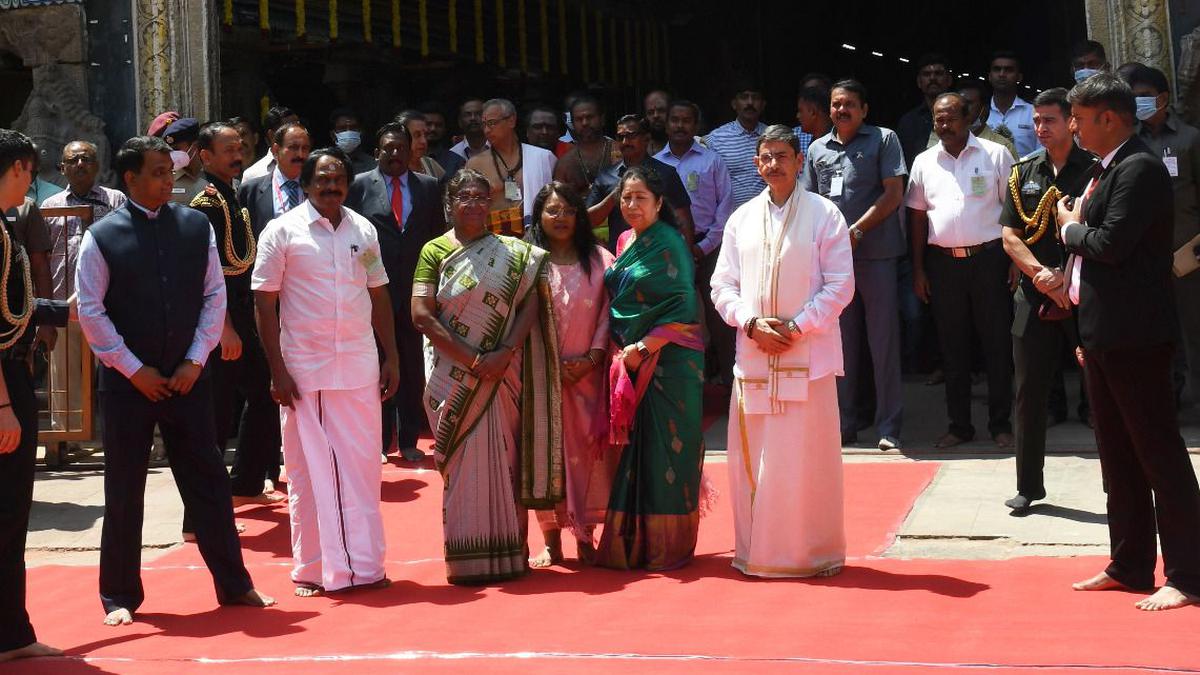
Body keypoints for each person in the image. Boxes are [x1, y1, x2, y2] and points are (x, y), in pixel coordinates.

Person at [76, 135, 274, 626]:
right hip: (128, 383)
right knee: (124, 488)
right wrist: (132, 369)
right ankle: (119, 596)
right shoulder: (100, 236)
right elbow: (90, 311)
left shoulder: (194, 226)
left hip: (188, 378)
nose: (168, 181)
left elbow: (214, 296)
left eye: (170, 171)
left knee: (207, 480)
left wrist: (194, 360)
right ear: (130, 178)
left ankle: (235, 583)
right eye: (158, 172)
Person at [1056, 74, 1200, 611]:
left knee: (1159, 455)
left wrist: (1070, 228)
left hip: (1136, 335)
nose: (1072, 126)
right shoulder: (1109, 165)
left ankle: (1188, 573)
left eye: (1078, 117)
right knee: (1118, 457)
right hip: (1103, 333)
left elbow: (1111, 245)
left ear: (1108, 119)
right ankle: (1131, 563)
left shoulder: (1139, 167)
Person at [252, 147, 399, 596]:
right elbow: (263, 300)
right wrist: (277, 369)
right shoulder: (282, 231)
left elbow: (378, 293)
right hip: (305, 369)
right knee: (307, 471)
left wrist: (391, 356)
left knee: (360, 469)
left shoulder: (364, 229)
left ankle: (365, 566)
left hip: (357, 365)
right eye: (322, 179)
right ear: (307, 183)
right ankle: (313, 569)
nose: (331, 186)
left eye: (338, 179)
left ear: (348, 183)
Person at [713, 124, 854, 577]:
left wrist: (796, 326)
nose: (773, 164)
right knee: (754, 460)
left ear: (799, 161)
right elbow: (722, 285)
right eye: (766, 157)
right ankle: (758, 552)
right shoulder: (741, 218)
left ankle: (813, 553)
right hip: (754, 357)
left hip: (807, 357)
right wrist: (750, 323)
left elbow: (840, 285)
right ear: (756, 165)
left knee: (806, 459)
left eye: (782, 156)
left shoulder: (825, 213)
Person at [411, 168, 561, 584]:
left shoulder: (515, 254)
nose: (474, 205)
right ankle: (466, 559)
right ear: (450, 204)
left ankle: (512, 554)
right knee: (460, 460)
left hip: (503, 372)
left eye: (481, 197)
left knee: (506, 459)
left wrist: (505, 351)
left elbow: (532, 301)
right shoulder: (433, 251)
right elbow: (421, 315)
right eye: (465, 197)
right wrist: (476, 360)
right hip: (454, 373)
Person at [594, 165, 705, 571]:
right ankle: (632, 545)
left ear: (659, 202)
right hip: (629, 361)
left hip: (668, 362)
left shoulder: (671, 244)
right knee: (632, 453)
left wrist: (643, 346)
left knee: (665, 453)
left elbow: (683, 307)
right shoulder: (624, 241)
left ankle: (667, 548)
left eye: (641, 197)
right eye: (626, 197)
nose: (632, 204)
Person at [999, 88, 1096, 513]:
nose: (1040, 128)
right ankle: (1028, 486)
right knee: (1029, 392)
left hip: (1084, 291)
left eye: (1049, 121)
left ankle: (1117, 481)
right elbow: (1009, 235)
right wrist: (1039, 274)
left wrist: (1063, 276)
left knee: (1102, 391)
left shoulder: (1093, 169)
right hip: (1034, 292)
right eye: (1035, 121)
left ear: (1071, 122)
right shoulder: (1023, 173)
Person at [907, 92, 1016, 449]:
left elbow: (1011, 212)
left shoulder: (995, 154)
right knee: (953, 349)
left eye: (951, 118)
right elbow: (918, 217)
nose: (944, 125)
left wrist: (1015, 261)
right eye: (938, 119)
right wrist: (920, 269)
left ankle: (1001, 424)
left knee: (996, 343)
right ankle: (960, 426)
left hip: (989, 259)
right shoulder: (924, 161)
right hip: (943, 264)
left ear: (968, 117)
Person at [803, 79, 907, 450]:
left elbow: (893, 194)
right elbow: (810, 203)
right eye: (835, 104)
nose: (841, 110)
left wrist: (856, 231)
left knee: (883, 343)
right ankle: (844, 423)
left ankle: (888, 427)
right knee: (839, 344)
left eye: (849, 104)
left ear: (864, 109)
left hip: (875, 255)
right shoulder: (817, 149)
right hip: (832, 263)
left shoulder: (883, 139)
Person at [0, 128, 68, 664]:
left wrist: (69, 313)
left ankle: (13, 631)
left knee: (12, 509)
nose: (28, 183)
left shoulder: (5, 228)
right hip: (3, 384)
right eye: (25, 171)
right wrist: (2, 402)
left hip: (13, 371)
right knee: (6, 509)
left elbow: (15, 309)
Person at [188, 123, 283, 506]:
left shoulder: (233, 197)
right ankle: (202, 509)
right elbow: (205, 274)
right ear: (205, 156)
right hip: (221, 318)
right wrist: (224, 326)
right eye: (227, 149)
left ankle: (244, 483)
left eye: (239, 146)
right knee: (218, 411)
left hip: (244, 314)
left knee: (263, 394)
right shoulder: (207, 205)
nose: (236, 154)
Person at [526, 182, 615, 568]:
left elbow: (612, 311)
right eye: (551, 211)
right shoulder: (527, 262)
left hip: (588, 377)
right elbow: (520, 320)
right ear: (539, 217)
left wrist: (593, 358)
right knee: (545, 457)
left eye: (567, 210)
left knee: (587, 457)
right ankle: (551, 541)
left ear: (580, 216)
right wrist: (548, 365)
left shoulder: (600, 260)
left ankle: (585, 535)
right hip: (542, 379)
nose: (560, 218)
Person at [346, 122, 444, 463]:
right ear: (377, 152)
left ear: (411, 150)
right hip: (374, 290)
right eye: (387, 148)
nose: (394, 154)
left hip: (416, 289)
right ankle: (379, 439)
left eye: (400, 147)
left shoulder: (430, 187)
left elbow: (436, 239)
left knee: (412, 362)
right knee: (375, 362)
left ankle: (408, 438)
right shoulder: (358, 186)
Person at [1123, 64, 1200, 406]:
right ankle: (1165, 402)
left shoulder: (1189, 139)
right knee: (1153, 332)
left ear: (1163, 98)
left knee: (1193, 332)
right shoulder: (1129, 142)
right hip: (1142, 254)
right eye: (1134, 98)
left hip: (1186, 253)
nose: (1139, 104)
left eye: (1144, 98)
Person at [41, 141, 127, 432]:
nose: (80, 164)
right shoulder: (50, 206)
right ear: (62, 167)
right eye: (73, 160)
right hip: (64, 303)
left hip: (109, 305)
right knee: (64, 375)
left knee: (119, 371)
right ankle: (65, 437)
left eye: (87, 159)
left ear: (98, 164)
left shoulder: (115, 201)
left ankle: (121, 434)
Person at [656, 100, 735, 386]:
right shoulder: (656, 164)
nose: (680, 126)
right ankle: (683, 387)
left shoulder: (711, 160)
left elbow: (725, 207)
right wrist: (680, 249)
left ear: (696, 126)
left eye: (686, 120)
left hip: (709, 248)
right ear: (666, 124)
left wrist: (702, 247)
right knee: (677, 319)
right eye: (674, 120)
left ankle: (731, 385)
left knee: (721, 319)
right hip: (670, 252)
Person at [588, 114, 693, 249]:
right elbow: (586, 221)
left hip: (660, 256)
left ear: (646, 138)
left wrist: (687, 257)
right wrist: (617, 194)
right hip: (620, 256)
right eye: (620, 137)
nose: (625, 142)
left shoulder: (666, 173)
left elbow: (684, 221)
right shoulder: (606, 176)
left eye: (631, 136)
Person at [465, 98, 557, 236]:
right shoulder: (475, 164)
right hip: (492, 239)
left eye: (492, 123)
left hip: (536, 237)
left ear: (511, 121)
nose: (486, 130)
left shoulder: (542, 157)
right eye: (484, 125)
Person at [705, 82, 768, 210]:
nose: (750, 103)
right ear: (734, 104)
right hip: (731, 219)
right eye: (744, 97)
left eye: (755, 98)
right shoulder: (716, 139)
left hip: (770, 217)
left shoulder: (773, 137)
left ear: (763, 105)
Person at [925, 81, 1018, 159]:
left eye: (968, 104)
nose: (962, 109)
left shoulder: (1002, 148)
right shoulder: (936, 141)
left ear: (984, 109)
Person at [897, 53, 953, 172]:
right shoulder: (908, 122)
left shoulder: (962, 118)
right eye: (926, 74)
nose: (932, 78)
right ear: (919, 82)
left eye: (938, 73)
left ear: (949, 80)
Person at [553, 95, 616, 197]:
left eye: (589, 117)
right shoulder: (565, 164)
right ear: (572, 124)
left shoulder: (619, 151)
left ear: (602, 119)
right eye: (579, 119)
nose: (585, 123)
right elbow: (559, 200)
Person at [987, 51, 1037, 158]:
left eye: (1008, 70)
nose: (1002, 74)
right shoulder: (979, 113)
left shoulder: (1033, 112)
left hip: (1025, 173)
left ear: (1019, 77)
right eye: (997, 69)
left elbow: (1042, 151)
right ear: (990, 76)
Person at [242, 105, 299, 182]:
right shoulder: (253, 175)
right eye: (289, 130)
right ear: (272, 135)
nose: (297, 133)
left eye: (299, 127)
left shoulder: (310, 169)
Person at [162, 117, 210, 204]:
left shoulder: (212, 173)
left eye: (176, 149)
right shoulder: (167, 180)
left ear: (195, 146)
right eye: (169, 150)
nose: (173, 154)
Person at [395, 110, 446, 181]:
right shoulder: (391, 167)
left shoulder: (430, 164)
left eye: (425, 135)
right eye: (417, 135)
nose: (423, 141)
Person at [422, 102, 466, 177]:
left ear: (445, 129)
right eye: (428, 124)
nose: (433, 129)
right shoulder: (408, 157)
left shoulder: (455, 161)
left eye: (438, 125)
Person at [329, 107, 376, 175]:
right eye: (342, 128)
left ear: (361, 133)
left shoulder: (373, 165)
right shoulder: (323, 163)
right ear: (333, 135)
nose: (348, 132)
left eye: (353, 128)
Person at [794, 85, 831, 157]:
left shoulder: (838, 143)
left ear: (813, 112)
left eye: (800, 111)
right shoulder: (814, 142)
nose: (798, 116)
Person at [643, 89, 671, 155]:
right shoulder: (640, 150)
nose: (656, 116)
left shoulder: (690, 145)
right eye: (650, 112)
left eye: (661, 110)